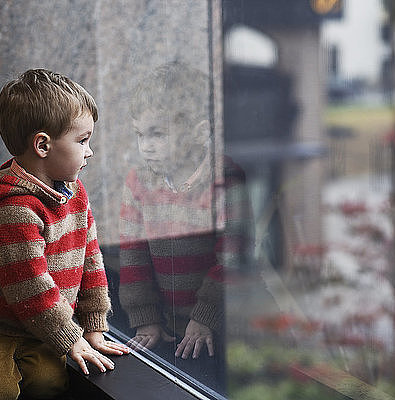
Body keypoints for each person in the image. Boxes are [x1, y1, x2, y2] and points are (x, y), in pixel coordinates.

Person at [0, 69, 130, 400]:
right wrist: (70, 336)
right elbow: (31, 289)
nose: (89, 151)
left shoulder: (74, 194)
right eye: (82, 141)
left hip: (31, 325)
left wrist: (93, 325)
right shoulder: (13, 211)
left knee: (49, 384)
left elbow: (89, 258)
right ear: (43, 145)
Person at [118, 62, 251, 387]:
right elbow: (132, 255)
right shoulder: (137, 183)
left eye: (157, 134)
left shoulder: (225, 181)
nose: (145, 145)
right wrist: (145, 318)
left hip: (222, 327)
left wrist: (205, 316)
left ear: (198, 131)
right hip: (166, 328)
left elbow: (232, 256)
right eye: (140, 134)